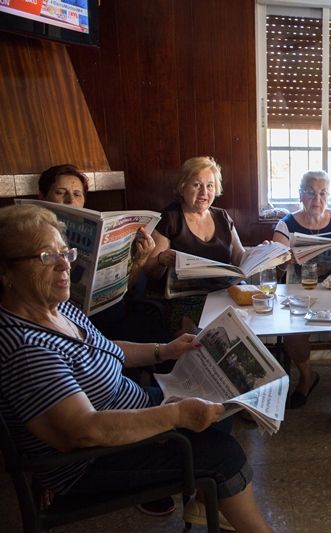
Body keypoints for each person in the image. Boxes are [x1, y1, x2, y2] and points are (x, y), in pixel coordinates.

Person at [0, 204, 272, 532]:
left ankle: (208, 501)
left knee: (217, 407)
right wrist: (178, 416)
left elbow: (109, 349)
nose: (63, 266)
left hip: (126, 409)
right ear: (6, 272)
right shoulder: (26, 347)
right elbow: (83, 432)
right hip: (92, 461)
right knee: (223, 453)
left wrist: (164, 350)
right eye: (46, 256)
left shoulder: (57, 309)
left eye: (65, 253)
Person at [272, 170, 331, 431]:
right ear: (301, 195)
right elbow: (277, 269)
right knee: (292, 335)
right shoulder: (287, 224)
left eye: (323, 193)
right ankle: (307, 375)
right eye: (311, 192)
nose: (317, 198)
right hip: (299, 294)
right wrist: (283, 260)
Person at [37, 164, 158, 343]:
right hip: (59, 316)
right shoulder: (33, 235)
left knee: (148, 326)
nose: (70, 200)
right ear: (42, 197)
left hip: (106, 315)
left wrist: (140, 261)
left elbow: (121, 291)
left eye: (77, 194)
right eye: (61, 193)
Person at [145, 156, 246, 335]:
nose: (204, 193)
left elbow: (240, 257)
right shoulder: (170, 218)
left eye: (210, 186)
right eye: (197, 185)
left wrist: (263, 254)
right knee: (198, 336)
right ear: (183, 187)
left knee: (246, 323)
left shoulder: (223, 217)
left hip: (221, 296)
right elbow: (151, 271)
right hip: (183, 300)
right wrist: (161, 259)